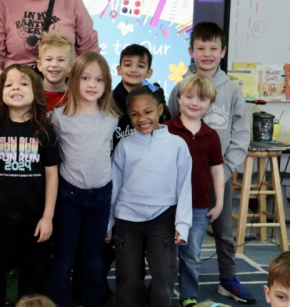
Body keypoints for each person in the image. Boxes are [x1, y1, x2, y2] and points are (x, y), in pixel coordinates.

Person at [167, 22, 252, 304]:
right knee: (172, 232)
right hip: (178, 179)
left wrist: (225, 169)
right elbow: (169, 122)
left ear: (223, 51)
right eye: (201, 48)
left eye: (213, 48)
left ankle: (227, 279)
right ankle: (168, 281)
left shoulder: (232, 91)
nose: (207, 53)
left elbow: (241, 134)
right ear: (191, 51)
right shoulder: (180, 86)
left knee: (224, 230)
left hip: (218, 174)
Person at [0, 64, 60, 307]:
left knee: (32, 272)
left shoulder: (45, 131)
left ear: (36, 92)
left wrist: (48, 217)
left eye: (23, 84)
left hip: (34, 220)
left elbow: (52, 176)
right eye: (10, 84)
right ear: (1, 92)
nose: (16, 88)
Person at [44, 52, 118, 307]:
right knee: (64, 256)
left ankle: (91, 300)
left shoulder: (111, 118)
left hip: (100, 196)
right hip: (69, 196)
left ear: (106, 84)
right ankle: (59, 301)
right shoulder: (60, 116)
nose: (91, 85)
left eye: (98, 80)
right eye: (85, 78)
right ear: (73, 80)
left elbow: (107, 153)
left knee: (93, 257)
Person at [108, 85, 192, 307]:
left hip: (163, 218)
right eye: (134, 114)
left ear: (160, 109)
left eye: (148, 112)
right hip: (127, 220)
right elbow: (115, 185)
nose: (141, 118)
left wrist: (182, 224)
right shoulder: (125, 145)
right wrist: (109, 222)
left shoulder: (177, 145)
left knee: (164, 274)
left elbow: (184, 187)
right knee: (127, 276)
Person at [165, 75, 225, 307]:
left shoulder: (212, 136)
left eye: (202, 99)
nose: (194, 102)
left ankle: (189, 295)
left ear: (210, 103)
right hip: (168, 204)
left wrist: (218, 204)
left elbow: (217, 171)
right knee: (166, 254)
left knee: (191, 255)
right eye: (189, 96)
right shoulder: (166, 129)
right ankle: (160, 290)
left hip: (199, 206)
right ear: (179, 98)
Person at [112, 43, 171, 149]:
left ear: (149, 72)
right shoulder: (109, 101)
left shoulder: (155, 97)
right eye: (128, 65)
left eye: (140, 66)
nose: (134, 70)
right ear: (119, 69)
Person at [36, 32, 72, 112]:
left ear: (70, 66)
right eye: (49, 59)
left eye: (61, 60)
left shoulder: (75, 97)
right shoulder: (32, 93)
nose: (54, 65)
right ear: (39, 65)